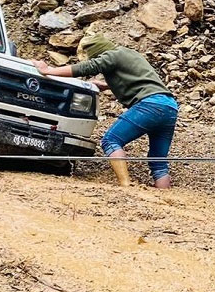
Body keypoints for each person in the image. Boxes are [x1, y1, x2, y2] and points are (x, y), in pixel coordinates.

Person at [35, 34, 178, 189]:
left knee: (111, 140)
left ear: (98, 53)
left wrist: (49, 70)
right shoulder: (129, 53)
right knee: (158, 160)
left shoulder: (112, 56)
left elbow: (86, 68)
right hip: (169, 106)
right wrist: (107, 85)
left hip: (150, 105)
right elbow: (141, 78)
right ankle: (164, 197)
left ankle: (125, 186)